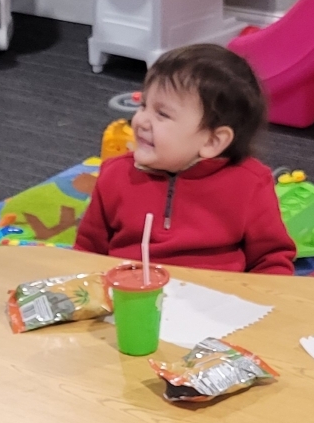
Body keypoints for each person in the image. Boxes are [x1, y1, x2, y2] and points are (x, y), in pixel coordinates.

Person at [75, 44, 296, 274]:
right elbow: (87, 251)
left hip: (213, 294)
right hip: (130, 290)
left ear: (212, 141)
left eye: (162, 114)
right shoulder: (115, 174)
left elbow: (272, 260)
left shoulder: (250, 183)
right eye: (143, 105)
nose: (140, 120)